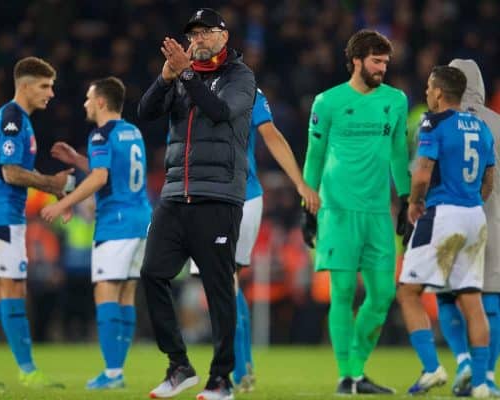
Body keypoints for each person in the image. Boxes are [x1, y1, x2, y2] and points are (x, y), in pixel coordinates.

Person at [137, 8, 255, 400]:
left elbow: (221, 112)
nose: (199, 39)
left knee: (219, 288)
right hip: (174, 195)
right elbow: (146, 113)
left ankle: (221, 379)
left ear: (224, 36)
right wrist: (165, 77)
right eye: (194, 33)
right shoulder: (182, 75)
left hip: (218, 195)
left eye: (206, 33)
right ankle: (179, 365)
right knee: (152, 273)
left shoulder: (240, 76)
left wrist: (186, 73)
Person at [189, 87, 320, 392]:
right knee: (228, 282)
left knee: (221, 285)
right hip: (240, 197)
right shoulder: (246, 89)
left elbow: (270, 135)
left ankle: (230, 372)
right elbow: (270, 133)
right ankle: (243, 367)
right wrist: (299, 183)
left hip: (222, 200)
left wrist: (299, 183)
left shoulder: (195, 89)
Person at [302, 29, 410, 394]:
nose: (382, 68)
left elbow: (398, 153)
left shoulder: (395, 101)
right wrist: (308, 206)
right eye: (376, 61)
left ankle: (357, 369)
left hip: (378, 213)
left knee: (382, 296)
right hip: (338, 210)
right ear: (357, 61)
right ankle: (348, 375)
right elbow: (314, 157)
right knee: (343, 291)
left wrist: (407, 199)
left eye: (385, 62)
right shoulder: (327, 102)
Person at [0, 56, 72, 388]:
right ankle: (28, 371)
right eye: (45, 86)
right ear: (24, 85)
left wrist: (53, 188)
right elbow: (10, 172)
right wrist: (52, 184)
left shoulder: (19, 120)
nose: (51, 93)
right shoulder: (12, 119)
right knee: (13, 289)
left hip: (0, 215)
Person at [41, 77, 152, 390]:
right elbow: (113, 170)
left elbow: (101, 177)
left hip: (115, 223)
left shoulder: (100, 135)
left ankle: (113, 373)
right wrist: (78, 161)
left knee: (105, 292)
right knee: (127, 294)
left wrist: (64, 203)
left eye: (89, 98)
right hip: (141, 219)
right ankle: (117, 369)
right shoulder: (133, 131)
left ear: (102, 102)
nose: (85, 104)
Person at [397, 65, 495, 398]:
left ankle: (431, 368)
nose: (426, 92)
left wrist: (414, 203)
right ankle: (482, 382)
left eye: (428, 87)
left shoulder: (432, 122)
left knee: (408, 291)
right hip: (474, 216)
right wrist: (469, 203)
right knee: (471, 298)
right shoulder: (482, 127)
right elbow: (489, 181)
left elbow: (422, 172)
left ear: (439, 92)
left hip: (443, 213)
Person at [433, 59, 500, 396]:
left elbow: (424, 172)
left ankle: (462, 361)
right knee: (491, 301)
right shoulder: (497, 124)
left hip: (450, 220)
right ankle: (485, 377)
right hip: (493, 222)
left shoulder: (441, 122)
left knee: (446, 297)